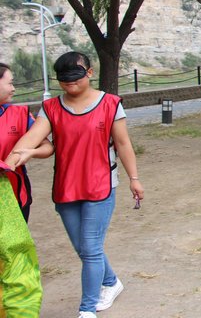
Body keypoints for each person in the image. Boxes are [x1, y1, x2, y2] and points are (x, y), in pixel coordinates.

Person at [8, 51, 143, 318]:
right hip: (66, 186)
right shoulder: (51, 108)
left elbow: (124, 144)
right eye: (63, 79)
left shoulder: (111, 104)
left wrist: (134, 179)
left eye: (76, 77)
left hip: (101, 184)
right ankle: (111, 282)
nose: (70, 83)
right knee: (83, 248)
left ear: (89, 73)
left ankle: (87, 309)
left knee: (91, 247)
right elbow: (33, 137)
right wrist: (12, 159)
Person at [0, 62, 46, 316]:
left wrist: (31, 151)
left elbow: (47, 146)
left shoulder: (18, 114)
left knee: (13, 254)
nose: (14, 87)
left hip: (15, 198)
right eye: (9, 82)